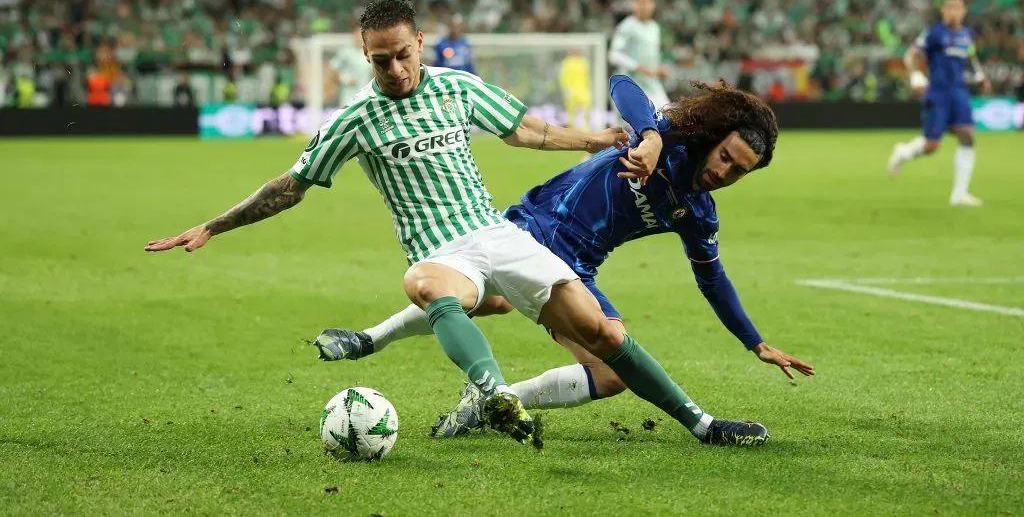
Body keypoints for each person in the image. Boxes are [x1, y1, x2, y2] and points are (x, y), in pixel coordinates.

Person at [145, 0, 628, 448]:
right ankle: (491, 393)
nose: (394, 70)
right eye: (380, 61)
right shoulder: (354, 118)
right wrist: (215, 225)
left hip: (498, 233)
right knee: (485, 302)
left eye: (402, 55)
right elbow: (292, 186)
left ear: (420, 43)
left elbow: (524, 129)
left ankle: (415, 362)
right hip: (439, 252)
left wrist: (589, 141)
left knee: (514, 311)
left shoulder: (458, 86)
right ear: (364, 54)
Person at [315, 72, 814, 446]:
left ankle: (493, 402)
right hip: (528, 231)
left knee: (610, 371)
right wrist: (653, 136)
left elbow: (713, 280)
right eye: (725, 157)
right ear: (713, 140)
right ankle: (370, 339)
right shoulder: (668, 142)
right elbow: (623, 85)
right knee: (483, 299)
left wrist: (756, 342)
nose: (724, 173)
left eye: (739, 172)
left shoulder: (696, 213)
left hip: (575, 268)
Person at [887, 0, 992, 206]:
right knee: (932, 145)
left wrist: (980, 76)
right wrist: (916, 77)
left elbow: (970, 57)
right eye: (949, 7)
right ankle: (903, 152)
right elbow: (912, 55)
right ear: (943, 10)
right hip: (938, 92)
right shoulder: (934, 33)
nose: (954, 12)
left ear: (963, 11)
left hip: (959, 91)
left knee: (967, 136)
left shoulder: (966, 34)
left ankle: (959, 194)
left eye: (958, 8)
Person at [609, 0, 669, 110]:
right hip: (631, 83)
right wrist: (639, 67)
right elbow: (614, 55)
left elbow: (652, 55)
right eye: (641, 2)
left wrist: (659, 68)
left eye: (648, 2)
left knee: (668, 115)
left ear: (653, 5)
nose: (645, 6)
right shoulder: (627, 26)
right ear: (634, 4)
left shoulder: (654, 27)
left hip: (652, 83)